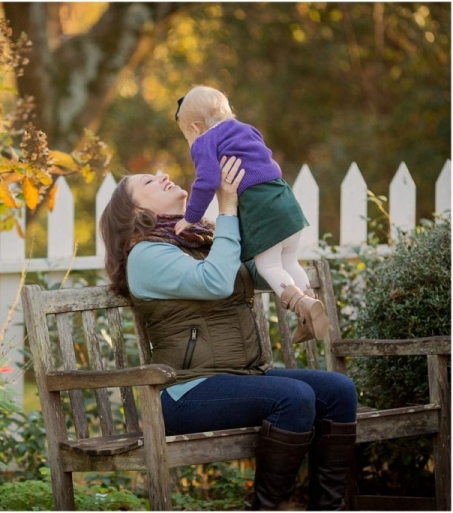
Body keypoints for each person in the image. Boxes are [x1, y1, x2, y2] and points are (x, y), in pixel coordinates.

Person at [98, 156, 358, 510]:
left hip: (237, 376)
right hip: (183, 391)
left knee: (338, 391)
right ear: (134, 212)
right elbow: (217, 281)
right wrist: (227, 210)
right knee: (294, 397)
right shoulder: (145, 254)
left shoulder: (200, 240)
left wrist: (260, 195)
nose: (163, 176)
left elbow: (263, 270)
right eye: (147, 182)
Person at [173, 85, 326, 344]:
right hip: (285, 200)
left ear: (195, 128)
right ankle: (309, 313)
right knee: (290, 262)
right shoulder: (247, 129)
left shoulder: (204, 141)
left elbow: (207, 180)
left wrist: (191, 215)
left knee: (269, 265)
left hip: (262, 208)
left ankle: (301, 306)